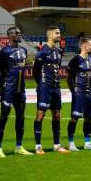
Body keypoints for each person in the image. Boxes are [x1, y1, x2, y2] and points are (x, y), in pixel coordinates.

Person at [0, 27, 33, 157]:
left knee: (21, 118)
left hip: (20, 90)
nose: (19, 34)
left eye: (19, 32)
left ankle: (19, 146)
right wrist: (3, 87)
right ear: (10, 36)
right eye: (16, 33)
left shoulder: (24, 50)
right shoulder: (4, 52)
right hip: (9, 90)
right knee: (4, 117)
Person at [33, 26, 69, 155]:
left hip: (56, 87)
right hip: (45, 87)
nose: (59, 35)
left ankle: (57, 145)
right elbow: (35, 71)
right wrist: (42, 84)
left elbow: (57, 67)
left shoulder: (59, 51)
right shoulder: (42, 52)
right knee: (40, 115)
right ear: (49, 35)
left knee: (57, 115)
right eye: (57, 33)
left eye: (59, 33)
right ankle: (38, 146)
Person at [66, 38, 91, 151]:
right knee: (74, 118)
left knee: (88, 118)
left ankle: (87, 143)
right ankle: (71, 143)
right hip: (79, 94)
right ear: (85, 46)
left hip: (90, 94)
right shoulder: (75, 60)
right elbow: (69, 78)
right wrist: (73, 91)